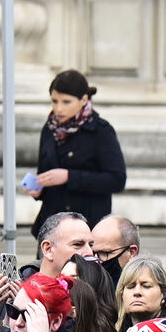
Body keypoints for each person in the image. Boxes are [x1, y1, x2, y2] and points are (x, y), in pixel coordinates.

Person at [30, 71, 128, 236]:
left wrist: (69, 176)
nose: (59, 108)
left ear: (84, 100)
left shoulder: (101, 131)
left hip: (87, 229)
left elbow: (117, 179)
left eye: (66, 101)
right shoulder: (49, 129)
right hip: (52, 229)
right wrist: (38, 189)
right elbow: (45, 173)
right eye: (54, 101)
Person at [118, 256, 166, 331]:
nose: (137, 292)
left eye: (146, 286)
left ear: (165, 294)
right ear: (122, 294)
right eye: (130, 286)